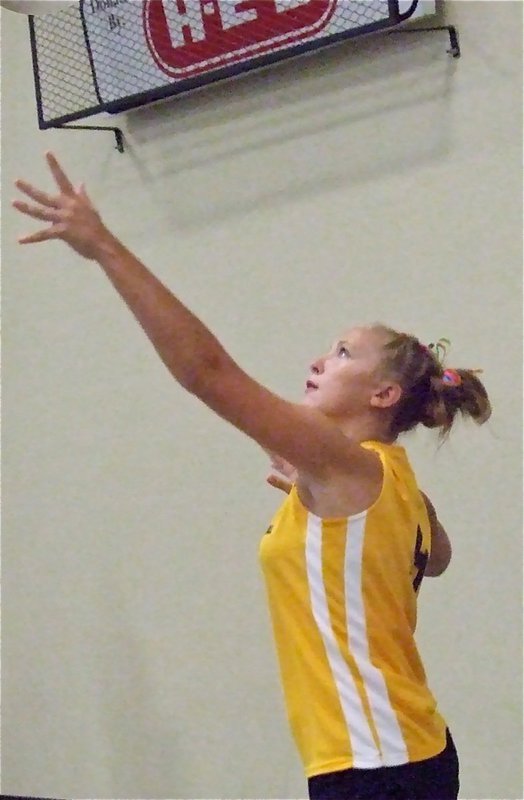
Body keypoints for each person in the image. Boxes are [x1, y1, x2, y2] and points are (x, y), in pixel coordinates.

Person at [13, 153, 491, 799]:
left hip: (377, 768)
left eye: (344, 353)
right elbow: (437, 559)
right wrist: (323, 499)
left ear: (383, 395)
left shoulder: (343, 462)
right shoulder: (386, 477)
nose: (320, 361)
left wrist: (104, 246)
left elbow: (206, 372)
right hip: (414, 750)